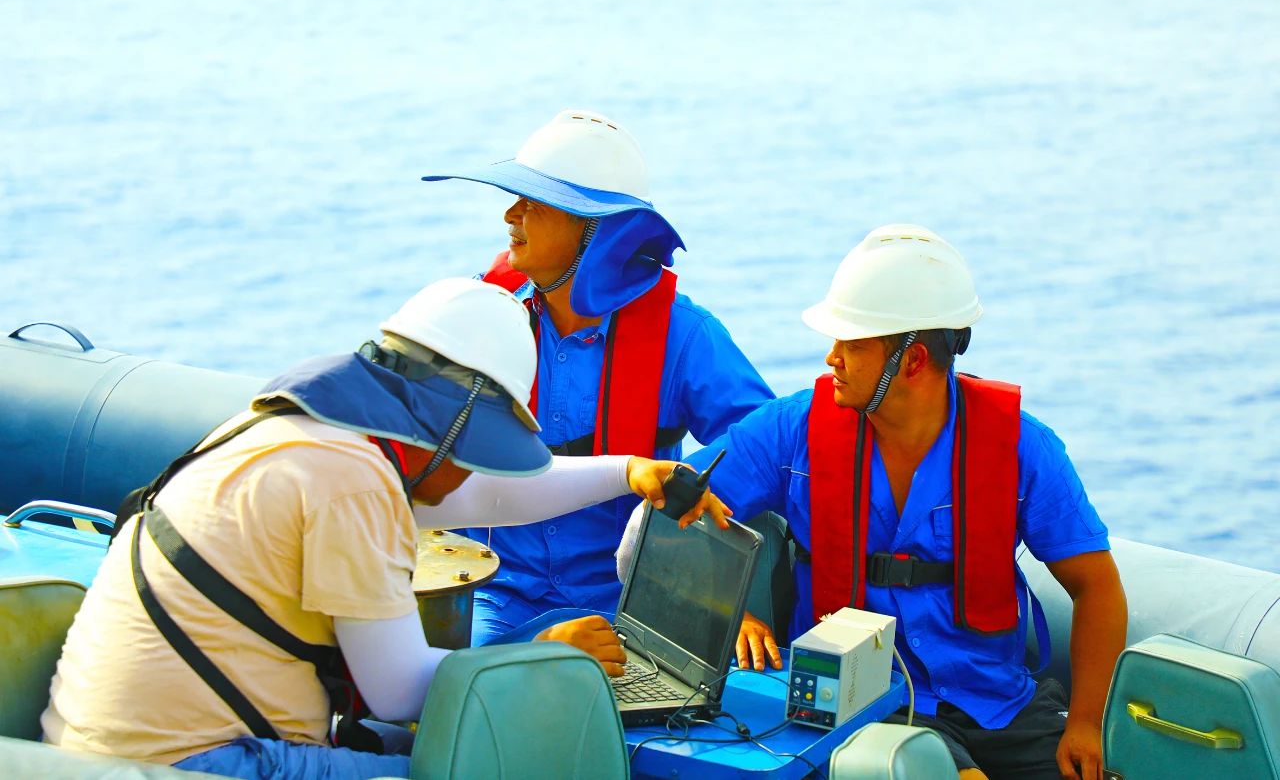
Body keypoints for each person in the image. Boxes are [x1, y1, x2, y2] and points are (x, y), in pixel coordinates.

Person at [42, 278, 728, 779]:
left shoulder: (305, 433)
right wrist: (543, 656)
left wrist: (628, 472)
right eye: (476, 448)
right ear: (445, 427)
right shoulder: (353, 480)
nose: (475, 470)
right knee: (491, 764)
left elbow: (489, 495)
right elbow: (397, 691)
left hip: (109, 748)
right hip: (195, 761)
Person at [632, 225, 1128, 780]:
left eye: (852, 344)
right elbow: (663, 514)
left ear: (912, 361)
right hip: (865, 704)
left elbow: (1097, 587)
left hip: (999, 702)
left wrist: (1085, 723)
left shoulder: (1022, 447)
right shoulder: (791, 432)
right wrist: (727, 612)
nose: (831, 357)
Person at [421, 109, 773, 644]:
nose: (510, 215)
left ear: (595, 231)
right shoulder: (480, 312)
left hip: (635, 600)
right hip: (496, 592)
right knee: (473, 684)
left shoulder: (685, 335)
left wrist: (723, 597)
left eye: (534, 204)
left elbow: (760, 447)